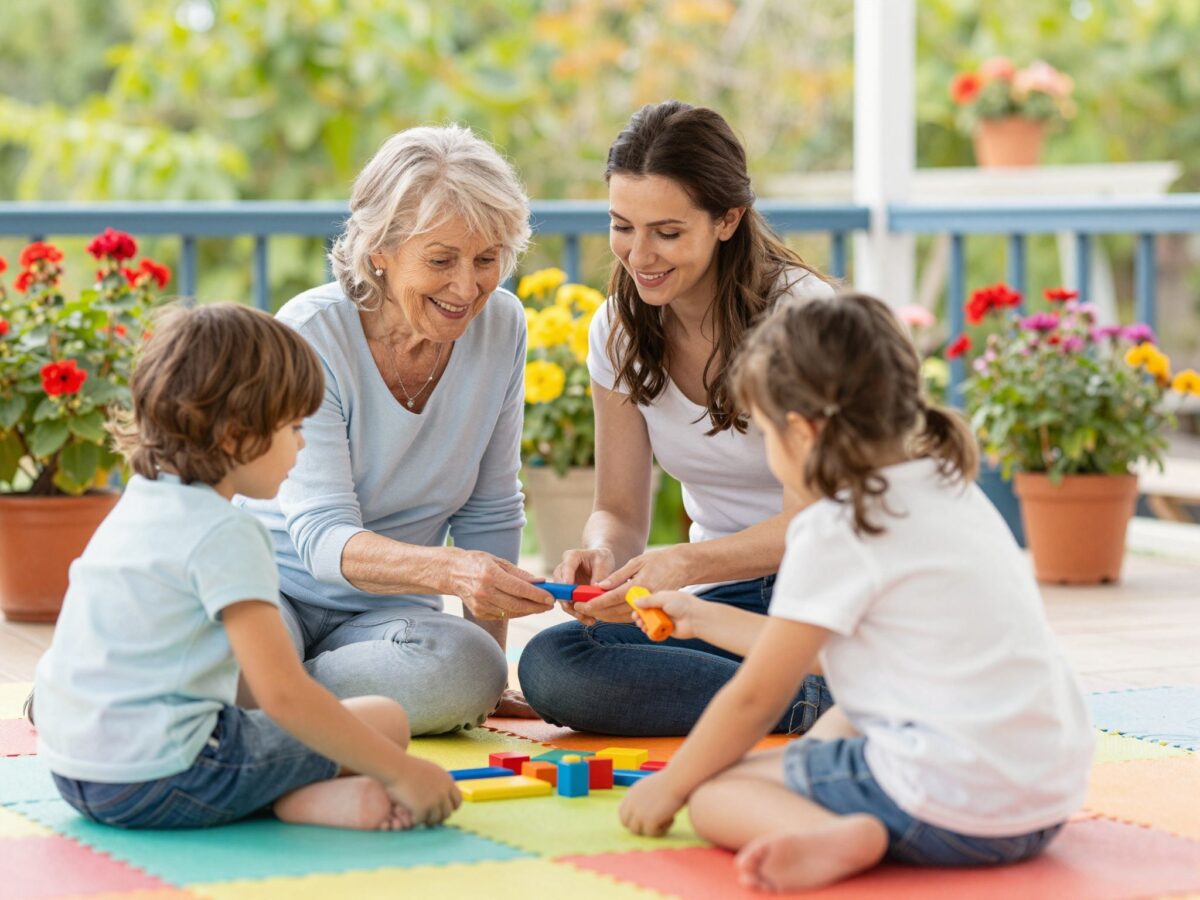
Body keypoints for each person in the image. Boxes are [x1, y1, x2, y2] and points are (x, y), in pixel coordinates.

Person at [619, 293, 1094, 891]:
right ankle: (840, 810)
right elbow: (821, 654)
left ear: (802, 432)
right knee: (848, 711)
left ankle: (838, 835)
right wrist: (700, 616)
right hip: (1042, 800)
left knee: (716, 792)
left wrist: (671, 785)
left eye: (765, 432)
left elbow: (758, 696)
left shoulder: (838, 524)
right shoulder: (951, 489)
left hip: (948, 806)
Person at [34, 304, 461, 830]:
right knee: (386, 721)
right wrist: (403, 773)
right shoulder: (227, 532)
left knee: (274, 717)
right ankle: (294, 798)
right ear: (238, 433)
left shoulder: (138, 503)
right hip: (167, 776)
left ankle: (295, 799)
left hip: (75, 773)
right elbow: (282, 695)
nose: (302, 444)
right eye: (294, 427)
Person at [518, 100, 835, 735]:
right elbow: (621, 509)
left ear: (728, 219)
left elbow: (828, 520)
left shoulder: (802, 318)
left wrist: (687, 565)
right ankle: (805, 692)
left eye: (667, 232)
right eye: (622, 226)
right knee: (553, 662)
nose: (640, 256)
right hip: (732, 606)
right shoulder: (618, 328)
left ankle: (813, 686)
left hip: (831, 594)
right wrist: (604, 556)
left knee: (576, 674)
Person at [241, 125, 556, 734]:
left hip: (386, 620)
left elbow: (490, 510)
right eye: (441, 260)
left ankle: (255, 693)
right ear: (379, 250)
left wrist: (487, 671)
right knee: (233, 653)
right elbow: (323, 539)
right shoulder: (310, 332)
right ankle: (250, 681)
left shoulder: (502, 327)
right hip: (269, 589)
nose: (467, 288)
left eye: (487, 260)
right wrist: (449, 570)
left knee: (467, 672)